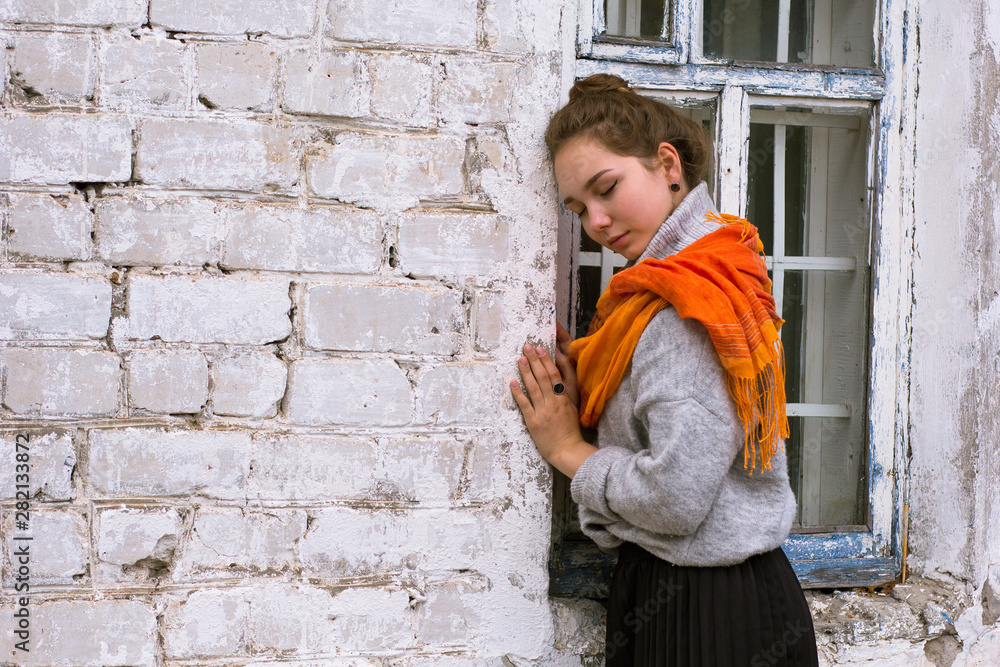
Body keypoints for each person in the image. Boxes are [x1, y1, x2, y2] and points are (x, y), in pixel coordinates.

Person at [508, 73, 819, 666]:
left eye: (607, 188)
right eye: (578, 208)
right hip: (702, 596)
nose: (595, 222)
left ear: (667, 164)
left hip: (707, 613)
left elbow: (674, 499)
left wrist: (569, 448)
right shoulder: (672, 291)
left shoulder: (687, 305)